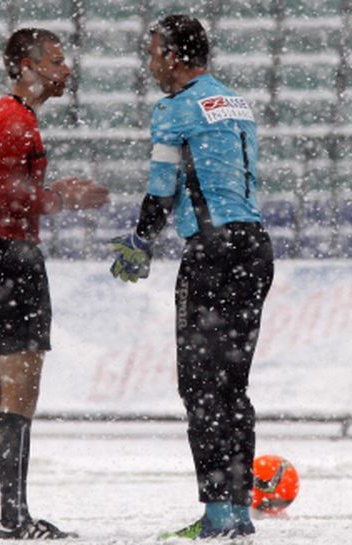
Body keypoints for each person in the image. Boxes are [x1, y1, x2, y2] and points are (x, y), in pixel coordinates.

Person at [107, 14, 274, 540]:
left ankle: (218, 515)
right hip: (255, 247)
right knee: (234, 387)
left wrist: (138, 242)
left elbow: (162, 188)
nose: (151, 62)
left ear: (175, 57)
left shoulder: (174, 109)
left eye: (155, 52)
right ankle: (240, 511)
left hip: (213, 251)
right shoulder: (235, 102)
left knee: (201, 387)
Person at [0, 28, 109, 540]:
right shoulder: (16, 123)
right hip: (12, 262)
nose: (66, 71)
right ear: (25, 65)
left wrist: (47, 195)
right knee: (19, 392)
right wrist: (60, 199)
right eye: (56, 62)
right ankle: (15, 517)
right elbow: (4, 195)